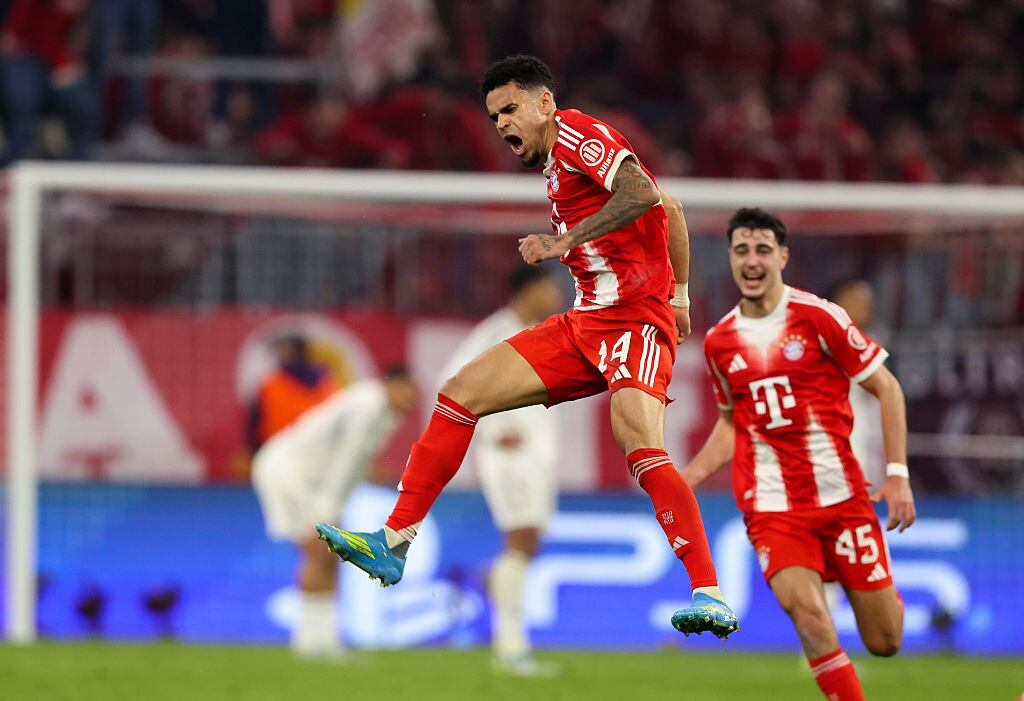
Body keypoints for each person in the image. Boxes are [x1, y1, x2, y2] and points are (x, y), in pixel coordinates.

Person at [316, 54, 739, 639]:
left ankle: (709, 592)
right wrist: (688, 296)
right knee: (460, 393)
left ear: (544, 103)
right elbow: (673, 209)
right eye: (494, 117)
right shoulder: (553, 165)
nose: (502, 125)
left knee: (638, 443)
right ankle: (392, 542)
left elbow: (643, 193)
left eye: (510, 109)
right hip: (586, 321)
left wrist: (571, 244)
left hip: (634, 319)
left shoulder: (578, 135)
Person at [683, 208, 916, 701]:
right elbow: (732, 421)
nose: (752, 260)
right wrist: (690, 476)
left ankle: (878, 596)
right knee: (811, 619)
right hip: (772, 508)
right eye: (742, 250)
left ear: (782, 257)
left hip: (842, 498)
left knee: (886, 640)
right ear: (730, 259)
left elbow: (887, 389)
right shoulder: (720, 342)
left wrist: (897, 475)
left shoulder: (820, 317)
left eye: (763, 249)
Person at [440, 266, 563, 674]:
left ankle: (485, 580)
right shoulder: (497, 331)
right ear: (528, 290)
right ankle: (510, 648)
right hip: (509, 457)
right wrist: (494, 431)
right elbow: (452, 380)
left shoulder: (543, 331)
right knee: (522, 540)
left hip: (535, 458)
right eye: (549, 286)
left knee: (528, 544)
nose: (556, 293)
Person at [252, 368, 419, 658]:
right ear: (391, 384)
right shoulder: (369, 404)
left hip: (309, 481)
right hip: (289, 472)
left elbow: (353, 463)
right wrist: (330, 509)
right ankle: (309, 641)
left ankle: (323, 640)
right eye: (408, 391)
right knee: (319, 552)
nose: (412, 399)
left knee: (327, 555)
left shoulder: (384, 414)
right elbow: (347, 458)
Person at [246, 335, 337, 455]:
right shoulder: (326, 382)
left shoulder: (271, 384)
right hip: (312, 455)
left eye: (283, 349)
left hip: (284, 455)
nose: (279, 354)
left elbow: (253, 429)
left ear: (297, 350)